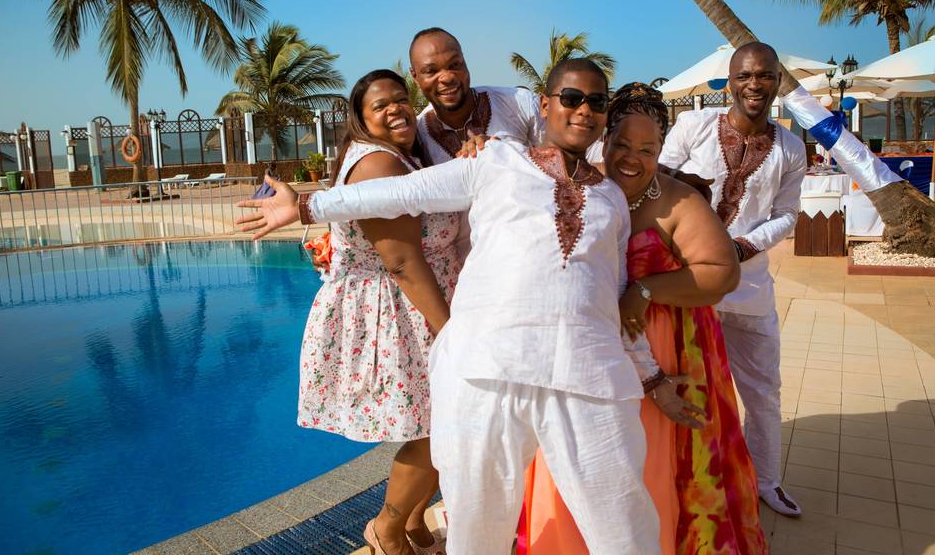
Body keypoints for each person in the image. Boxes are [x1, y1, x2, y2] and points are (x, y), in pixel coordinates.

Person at [236, 59, 694, 554]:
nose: (584, 110)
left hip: (586, 377)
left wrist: (650, 377)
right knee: (477, 530)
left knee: (626, 529)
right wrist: (306, 207)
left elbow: (612, 295)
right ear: (545, 105)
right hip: (485, 374)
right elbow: (400, 191)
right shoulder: (497, 160)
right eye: (572, 97)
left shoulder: (610, 199)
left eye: (597, 102)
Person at [519, 83, 769, 554]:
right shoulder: (580, 184)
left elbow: (722, 273)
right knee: (575, 456)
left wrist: (646, 289)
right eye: (622, 146)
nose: (631, 159)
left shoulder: (679, 201)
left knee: (648, 463)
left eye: (647, 149)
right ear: (605, 142)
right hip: (585, 346)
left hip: (664, 343)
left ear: (661, 150)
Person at [296, 70, 457, 555]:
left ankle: (410, 520)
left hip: (414, 302)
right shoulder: (377, 165)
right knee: (439, 428)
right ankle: (386, 527)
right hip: (405, 308)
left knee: (439, 423)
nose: (396, 110)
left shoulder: (406, 155)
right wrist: (451, 332)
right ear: (362, 121)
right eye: (380, 106)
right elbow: (402, 259)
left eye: (400, 100)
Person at [658, 42, 807, 517]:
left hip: (751, 288)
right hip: (691, 284)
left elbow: (787, 216)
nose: (755, 85)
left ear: (777, 81)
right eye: (745, 76)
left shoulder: (790, 146)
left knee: (763, 388)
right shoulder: (694, 127)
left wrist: (742, 247)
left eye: (765, 76)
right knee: (691, 386)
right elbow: (656, 182)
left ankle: (768, 480)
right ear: (731, 80)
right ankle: (693, 481)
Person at [408, 27, 545, 260]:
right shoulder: (416, 137)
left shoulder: (519, 104)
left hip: (532, 256)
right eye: (431, 71)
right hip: (463, 277)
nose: (447, 77)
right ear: (415, 78)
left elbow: (565, 166)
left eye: (454, 65)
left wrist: (502, 152)